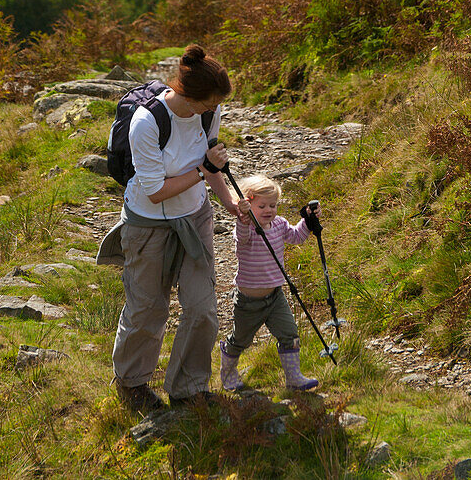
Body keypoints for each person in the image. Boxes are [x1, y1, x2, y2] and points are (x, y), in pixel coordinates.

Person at [98, 44, 242, 414]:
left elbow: (209, 161)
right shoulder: (147, 123)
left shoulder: (208, 113)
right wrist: (202, 171)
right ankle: (131, 385)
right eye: (209, 103)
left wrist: (229, 204)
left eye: (216, 105)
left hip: (195, 217)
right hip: (149, 224)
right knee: (147, 309)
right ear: (188, 95)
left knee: (203, 309)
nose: (214, 110)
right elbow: (157, 190)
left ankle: (188, 388)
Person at [219, 174, 321, 393]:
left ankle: (294, 379)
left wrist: (308, 221)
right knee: (240, 341)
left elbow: (296, 237)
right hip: (248, 302)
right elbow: (242, 238)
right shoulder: (246, 228)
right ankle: (228, 374)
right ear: (247, 205)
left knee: (290, 335)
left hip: (275, 297)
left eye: (273, 205)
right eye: (262, 205)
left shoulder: (279, 224)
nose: (268, 210)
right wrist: (244, 217)